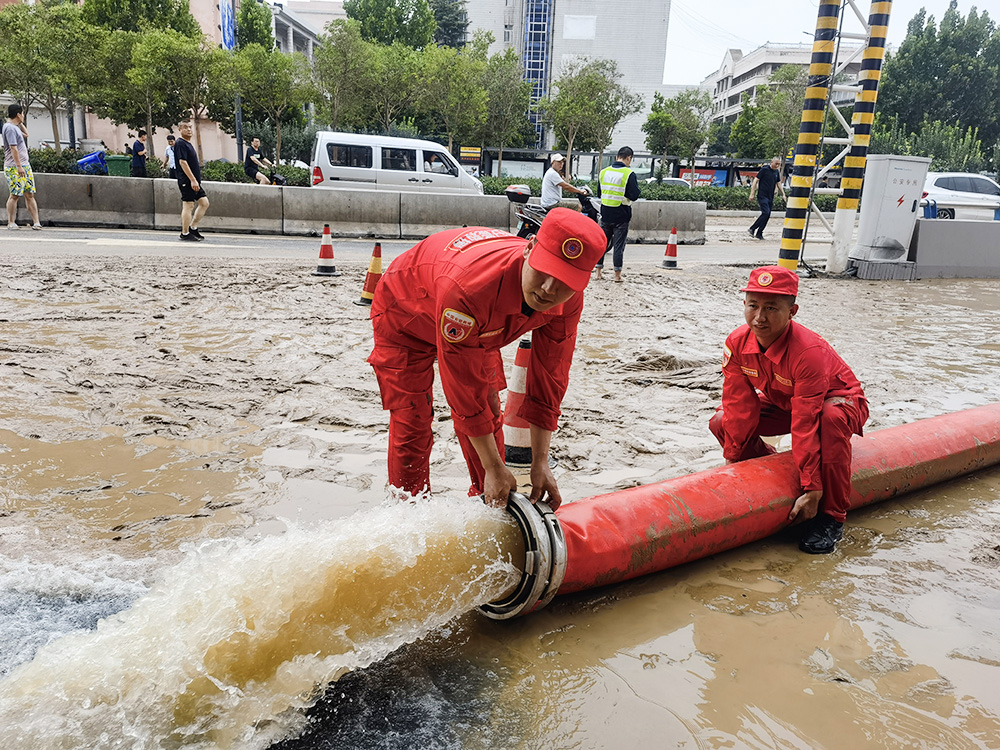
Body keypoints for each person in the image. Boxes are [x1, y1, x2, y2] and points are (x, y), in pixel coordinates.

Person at [367, 208, 607, 510]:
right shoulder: (469, 289)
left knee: (490, 412)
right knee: (412, 420)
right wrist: (494, 466)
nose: (548, 289)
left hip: (479, 327)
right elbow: (463, 389)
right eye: (544, 270)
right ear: (530, 248)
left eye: (565, 280)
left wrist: (540, 461)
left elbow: (551, 374)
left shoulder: (568, 298)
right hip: (406, 312)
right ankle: (407, 512)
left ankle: (488, 504)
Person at [709, 265, 869, 554]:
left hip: (838, 401)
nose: (759, 317)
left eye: (771, 308)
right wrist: (733, 458)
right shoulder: (736, 343)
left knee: (830, 418)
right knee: (721, 421)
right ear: (744, 304)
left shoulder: (808, 353)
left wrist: (812, 489)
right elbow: (737, 404)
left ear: (792, 311)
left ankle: (832, 517)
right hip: (786, 402)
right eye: (753, 306)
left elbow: (806, 422)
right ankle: (767, 464)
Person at [594, 146, 641, 283]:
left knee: (602, 244)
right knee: (619, 246)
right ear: (629, 158)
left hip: (605, 213)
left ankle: (598, 272)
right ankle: (617, 275)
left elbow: (599, 193)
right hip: (621, 214)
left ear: (617, 157)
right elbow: (634, 195)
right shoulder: (629, 174)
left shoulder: (603, 172)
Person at [3, 104, 42, 231]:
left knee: (29, 194)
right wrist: (19, 166)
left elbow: (26, 134)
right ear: (18, 114)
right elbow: (13, 148)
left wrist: (20, 123)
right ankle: (11, 222)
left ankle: (36, 222)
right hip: (14, 167)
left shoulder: (15, 127)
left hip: (25, 165)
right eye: (22, 114)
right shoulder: (9, 128)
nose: (23, 116)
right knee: (14, 195)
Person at [173, 120, 209, 242]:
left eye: (190, 127)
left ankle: (193, 227)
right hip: (187, 180)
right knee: (188, 205)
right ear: (180, 130)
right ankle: (185, 233)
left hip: (194, 181)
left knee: (204, 203)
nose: (189, 129)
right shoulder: (180, 143)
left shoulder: (187, 143)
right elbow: (182, 162)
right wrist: (192, 180)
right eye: (185, 127)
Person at [748, 157, 786, 240]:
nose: (777, 165)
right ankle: (752, 228)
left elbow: (778, 183)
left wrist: (783, 194)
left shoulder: (776, 172)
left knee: (767, 215)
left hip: (770, 196)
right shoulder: (764, 170)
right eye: (776, 164)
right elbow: (755, 181)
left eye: (779, 164)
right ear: (771, 162)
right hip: (762, 195)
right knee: (765, 213)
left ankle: (759, 233)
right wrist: (752, 193)